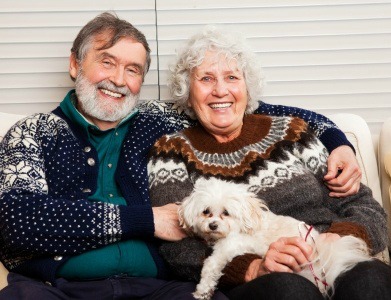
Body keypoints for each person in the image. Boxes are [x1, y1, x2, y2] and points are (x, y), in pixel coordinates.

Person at [0, 12, 363, 299]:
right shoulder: (32, 132)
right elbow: (15, 219)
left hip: (161, 288)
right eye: (106, 62)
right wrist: (146, 220)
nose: (118, 80)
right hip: (55, 288)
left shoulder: (157, 119)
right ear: (75, 65)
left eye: (133, 70)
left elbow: (248, 106)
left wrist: (337, 139)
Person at [147, 26, 391, 299]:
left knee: (372, 279)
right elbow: (176, 246)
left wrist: (336, 239)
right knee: (289, 289)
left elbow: (365, 207)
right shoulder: (172, 150)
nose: (220, 90)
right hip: (255, 277)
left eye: (231, 77)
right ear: (187, 90)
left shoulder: (292, 132)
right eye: (206, 79)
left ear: (247, 87)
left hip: (328, 254)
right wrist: (251, 267)